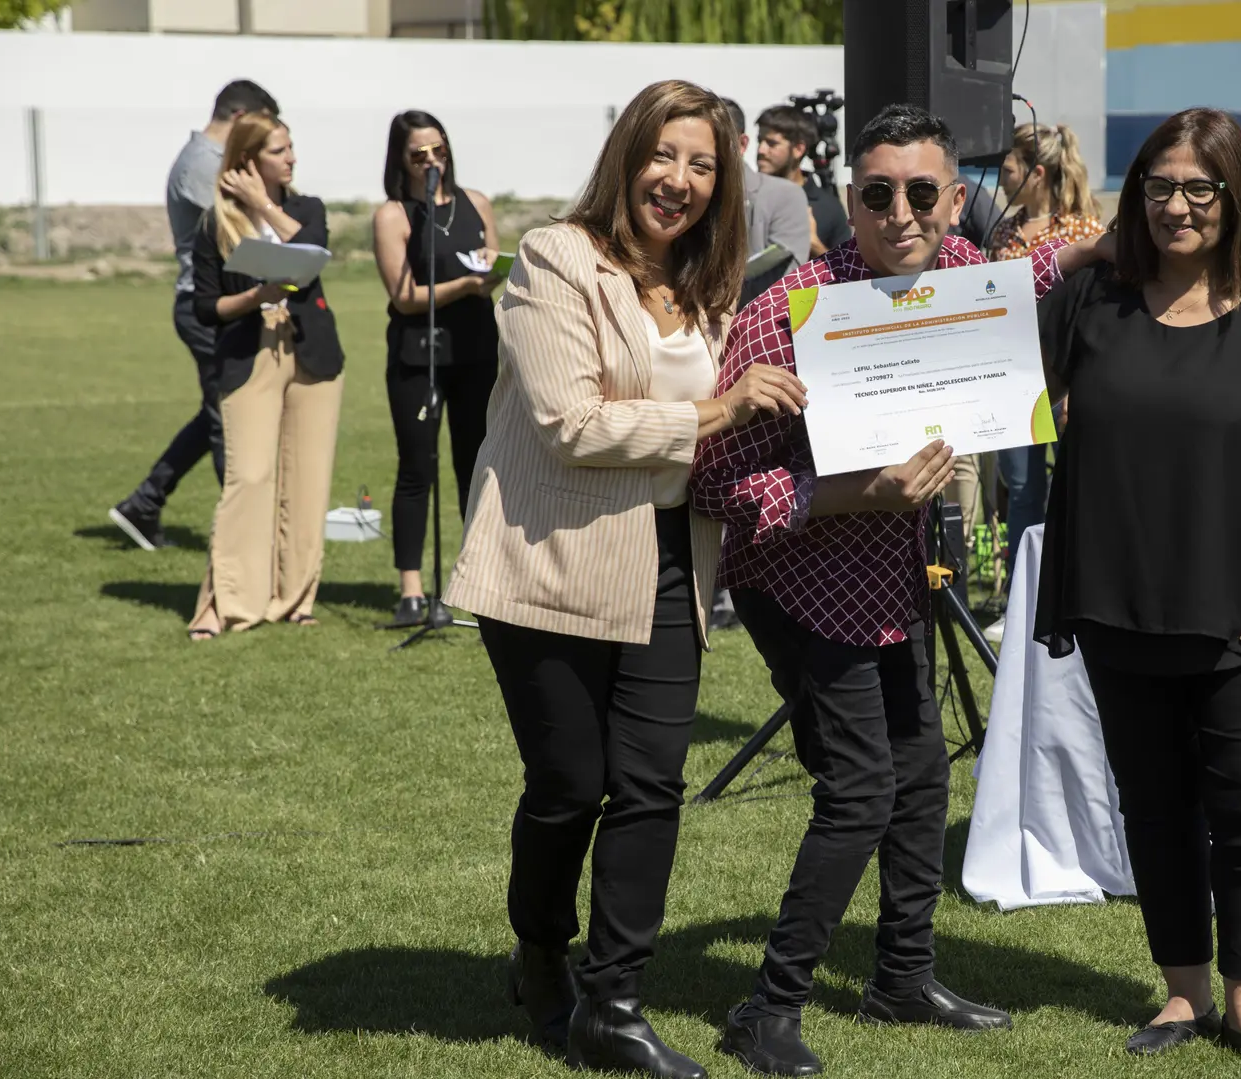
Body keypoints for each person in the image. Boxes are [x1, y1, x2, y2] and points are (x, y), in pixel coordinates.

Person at [691, 103, 1109, 1078]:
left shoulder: (960, 270)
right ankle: (768, 1007)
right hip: (800, 584)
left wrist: (1097, 247)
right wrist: (840, 493)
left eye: (922, 192)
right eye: (879, 193)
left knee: (921, 770)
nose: (901, 213)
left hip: (892, 582)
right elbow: (711, 483)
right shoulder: (788, 311)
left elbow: (1027, 276)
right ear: (851, 200)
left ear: (954, 200)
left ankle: (902, 977)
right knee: (860, 787)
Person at [440, 79, 806, 1079]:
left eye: (703, 164)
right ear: (627, 157)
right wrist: (723, 410)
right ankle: (540, 950)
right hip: (550, 554)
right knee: (570, 783)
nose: (679, 179)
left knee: (650, 783)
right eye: (664, 155)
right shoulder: (556, 257)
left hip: (669, 559)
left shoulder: (713, 284)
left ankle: (613, 1003)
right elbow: (573, 423)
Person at [1034, 108, 1241, 1075]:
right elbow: (980, 338)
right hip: (1120, 602)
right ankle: (1185, 989)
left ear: (1235, 196)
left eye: (1198, 188)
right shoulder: (1093, 301)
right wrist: (1081, 251)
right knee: (1154, 805)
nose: (1176, 206)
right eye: (1158, 186)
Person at [187, 115, 346, 640]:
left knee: (307, 481)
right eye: (279, 150)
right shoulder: (214, 224)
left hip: (312, 354)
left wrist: (262, 205)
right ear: (248, 160)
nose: (291, 158)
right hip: (249, 353)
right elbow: (206, 308)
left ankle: (295, 598)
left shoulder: (306, 208)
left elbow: (313, 247)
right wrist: (256, 296)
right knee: (250, 478)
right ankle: (226, 603)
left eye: (291, 147)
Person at [109, 79, 278, 551]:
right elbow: (236, 231)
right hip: (207, 304)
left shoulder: (206, 159)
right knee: (229, 415)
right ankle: (242, 535)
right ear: (241, 118)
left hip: (224, 299)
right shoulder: (204, 164)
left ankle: (144, 502)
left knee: (216, 412)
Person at [371, 110, 506, 627]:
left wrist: (490, 274)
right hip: (418, 355)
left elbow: (492, 262)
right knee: (416, 467)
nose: (431, 161)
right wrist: (465, 285)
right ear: (401, 159)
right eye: (419, 154)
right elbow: (404, 296)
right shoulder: (394, 215)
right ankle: (412, 591)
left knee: (477, 467)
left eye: (439, 149)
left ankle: (480, 582)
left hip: (476, 350)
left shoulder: (477, 203)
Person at [977, 122, 1105, 622]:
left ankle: (1075, 596)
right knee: (1022, 491)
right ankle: (1021, 604)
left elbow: (1095, 316)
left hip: (1067, 381)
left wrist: (1078, 386)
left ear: (1037, 172)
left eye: (1008, 168)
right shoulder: (1004, 231)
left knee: (1076, 489)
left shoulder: (1084, 232)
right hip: (1014, 381)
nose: (1002, 179)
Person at [721, 98, 809, 308]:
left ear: (742, 144)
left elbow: (787, 283)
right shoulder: (686, 194)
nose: (761, 150)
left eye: (717, 139)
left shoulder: (785, 194)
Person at [754, 104, 850, 258]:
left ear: (798, 149)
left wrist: (813, 243)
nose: (761, 150)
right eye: (760, 141)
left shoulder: (829, 208)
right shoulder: (747, 195)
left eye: (772, 143)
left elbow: (846, 269)